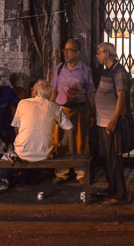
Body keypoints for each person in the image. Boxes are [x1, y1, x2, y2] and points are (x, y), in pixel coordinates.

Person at [51, 38, 95, 184]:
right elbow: (54, 90)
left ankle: (81, 172)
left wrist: (92, 112)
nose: (66, 53)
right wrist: (51, 109)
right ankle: (61, 172)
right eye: (65, 50)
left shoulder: (86, 70)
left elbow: (90, 93)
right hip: (62, 109)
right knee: (61, 141)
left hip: (80, 109)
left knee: (80, 140)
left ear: (78, 53)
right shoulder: (59, 68)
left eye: (69, 50)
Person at [94, 42, 128, 205]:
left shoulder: (118, 71)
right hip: (103, 121)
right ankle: (112, 189)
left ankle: (120, 193)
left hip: (110, 122)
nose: (97, 55)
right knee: (107, 157)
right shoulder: (107, 71)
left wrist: (114, 120)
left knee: (114, 157)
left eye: (99, 53)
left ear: (107, 53)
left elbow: (121, 97)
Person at [11, 80, 73, 163]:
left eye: (32, 89)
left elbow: (16, 128)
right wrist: (70, 149)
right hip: (45, 155)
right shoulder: (54, 107)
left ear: (36, 92)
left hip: (22, 153)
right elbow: (70, 128)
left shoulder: (22, 103)